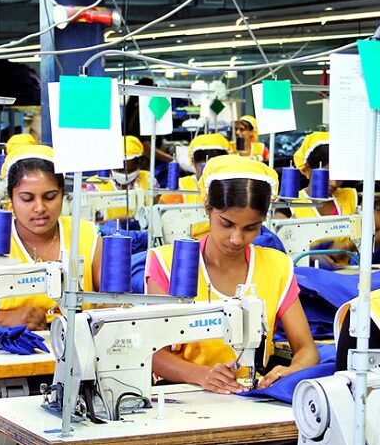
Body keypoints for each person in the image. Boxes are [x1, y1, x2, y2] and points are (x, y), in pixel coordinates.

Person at [145, 155, 318, 394]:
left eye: (251, 228)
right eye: (227, 224)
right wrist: (202, 375)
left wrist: (292, 369)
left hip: (248, 394)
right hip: (182, 393)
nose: (237, 239)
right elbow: (153, 353)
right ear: (207, 208)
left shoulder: (277, 266)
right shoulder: (168, 264)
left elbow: (307, 349)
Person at [0, 144, 102, 331]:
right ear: (11, 197)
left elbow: (115, 301)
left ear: (63, 194)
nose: (39, 208)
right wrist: (3, 319)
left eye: (50, 197)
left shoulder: (87, 235)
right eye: (27, 198)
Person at [280, 132, 358, 268]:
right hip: (305, 276)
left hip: (347, 275)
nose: (334, 183)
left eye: (339, 176)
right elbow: (278, 242)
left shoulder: (351, 197)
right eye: (327, 175)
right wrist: (308, 253)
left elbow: (375, 230)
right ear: (308, 169)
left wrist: (347, 245)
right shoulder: (288, 204)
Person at [86, 135, 154, 223]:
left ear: (140, 163)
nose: (125, 173)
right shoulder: (95, 184)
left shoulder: (149, 179)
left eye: (130, 169)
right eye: (120, 169)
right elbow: (87, 221)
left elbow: (156, 210)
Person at [160, 133, 232, 205]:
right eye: (203, 165)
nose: (208, 171)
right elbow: (160, 209)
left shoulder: (233, 187)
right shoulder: (181, 187)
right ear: (193, 162)